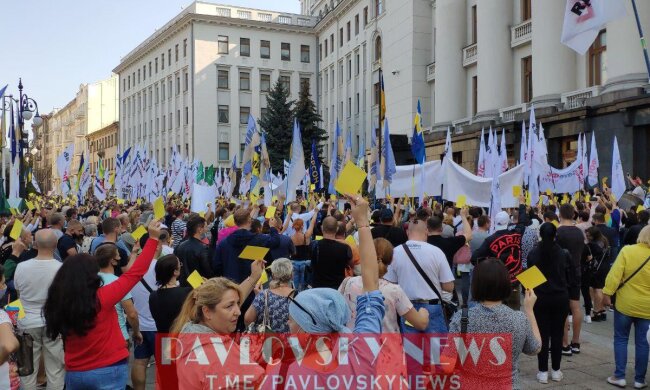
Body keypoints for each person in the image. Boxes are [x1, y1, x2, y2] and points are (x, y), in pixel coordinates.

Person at [43, 220, 161, 389]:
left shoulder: (59, 302)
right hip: (108, 367)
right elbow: (135, 273)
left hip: (75, 372)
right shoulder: (103, 297)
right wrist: (153, 239)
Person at [448, 259, 541, 390]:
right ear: (506, 284)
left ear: (476, 285)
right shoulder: (518, 318)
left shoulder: (462, 318)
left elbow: (450, 359)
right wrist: (529, 310)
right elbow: (535, 348)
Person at [171, 261, 266, 389]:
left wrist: (254, 277)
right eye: (230, 306)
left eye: (238, 304)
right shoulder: (216, 357)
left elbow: (223, 301)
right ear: (207, 311)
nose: (238, 312)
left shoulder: (189, 334)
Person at [339, 237, 429, 332]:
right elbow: (421, 324)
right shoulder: (394, 290)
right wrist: (424, 313)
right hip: (384, 344)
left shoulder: (348, 282)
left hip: (352, 343)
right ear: (390, 260)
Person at [384, 215, 455, 333]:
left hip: (407, 309)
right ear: (426, 231)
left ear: (407, 232)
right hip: (433, 307)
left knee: (412, 349)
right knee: (435, 349)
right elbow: (448, 287)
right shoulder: (436, 252)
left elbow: (390, 284)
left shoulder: (395, 252)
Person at [13, 229, 65, 389]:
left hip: (27, 323)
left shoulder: (21, 267)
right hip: (53, 322)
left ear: (35, 244)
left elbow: (19, 295)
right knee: (55, 369)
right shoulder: (62, 269)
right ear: (56, 244)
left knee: (26, 371)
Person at [602, 225, 650, 389]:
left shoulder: (627, 251)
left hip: (625, 304)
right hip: (647, 308)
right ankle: (639, 379)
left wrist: (607, 293)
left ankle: (619, 375)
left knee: (621, 339)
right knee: (643, 343)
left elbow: (614, 275)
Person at [527, 223, 575, 384]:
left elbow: (530, 281)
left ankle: (542, 371)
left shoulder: (533, 253)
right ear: (555, 235)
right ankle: (556, 370)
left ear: (540, 234)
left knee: (541, 334)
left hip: (540, 297)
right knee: (557, 334)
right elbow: (571, 277)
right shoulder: (564, 253)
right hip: (560, 297)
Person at [471, 199, 528, 310]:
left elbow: (474, 258)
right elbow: (522, 222)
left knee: (498, 312)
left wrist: (488, 268)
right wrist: (522, 204)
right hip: (514, 281)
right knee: (514, 312)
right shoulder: (516, 233)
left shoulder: (490, 240)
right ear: (508, 222)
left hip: (498, 282)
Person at [130, 233, 162, 390]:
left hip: (140, 325)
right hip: (160, 326)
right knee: (165, 365)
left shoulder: (134, 266)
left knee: (140, 361)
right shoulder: (161, 266)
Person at [95, 243, 142, 351]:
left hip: (98, 337)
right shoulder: (118, 283)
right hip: (118, 335)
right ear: (112, 261)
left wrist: (134, 253)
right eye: (118, 255)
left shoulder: (90, 280)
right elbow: (132, 314)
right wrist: (136, 332)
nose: (120, 258)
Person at [555, 204, 585, 356]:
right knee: (576, 306)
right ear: (573, 215)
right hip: (577, 271)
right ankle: (576, 342)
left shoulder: (558, 232)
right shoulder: (579, 232)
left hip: (562, 273)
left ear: (560, 214)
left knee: (563, 309)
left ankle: (564, 344)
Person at [244, 258, 294, 333]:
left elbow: (248, 319)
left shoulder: (263, 295)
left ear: (273, 275)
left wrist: (259, 298)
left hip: (267, 341)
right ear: (291, 275)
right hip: (291, 342)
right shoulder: (299, 297)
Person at [148, 254, 192, 334]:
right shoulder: (186, 293)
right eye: (180, 265)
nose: (181, 267)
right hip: (182, 340)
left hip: (163, 340)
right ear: (175, 271)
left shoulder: (153, 296)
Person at [310, 216, 353, 289]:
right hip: (337, 287)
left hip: (318, 287)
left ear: (322, 228)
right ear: (337, 229)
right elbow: (350, 264)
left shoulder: (314, 245)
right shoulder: (345, 248)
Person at [174, 215, 213, 285]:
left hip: (182, 284)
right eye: (205, 226)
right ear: (200, 229)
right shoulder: (203, 248)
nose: (207, 228)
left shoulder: (179, 246)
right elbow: (208, 270)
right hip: (198, 286)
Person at [585, 227, 610, 322]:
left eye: (588, 235)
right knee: (601, 288)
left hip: (596, 268)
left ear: (593, 236)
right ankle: (602, 310)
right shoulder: (604, 240)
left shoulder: (592, 245)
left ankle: (596, 312)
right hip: (605, 266)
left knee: (597, 289)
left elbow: (588, 257)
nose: (587, 237)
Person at [289, 211, 317, 291]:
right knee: (304, 285)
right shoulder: (306, 236)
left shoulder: (291, 238)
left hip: (294, 262)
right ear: (302, 226)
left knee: (295, 285)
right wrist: (315, 212)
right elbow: (312, 223)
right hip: (305, 262)